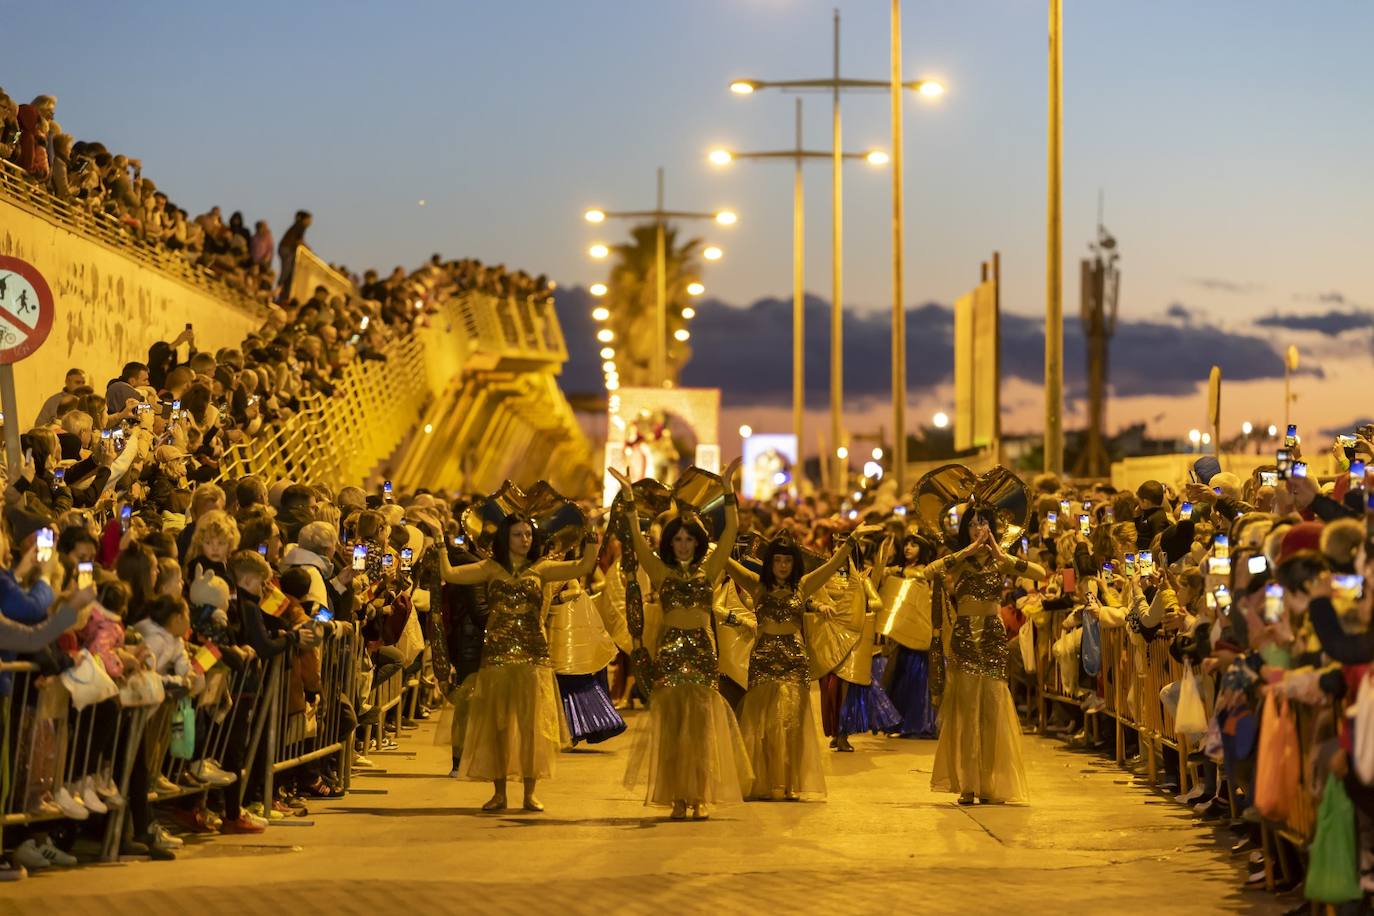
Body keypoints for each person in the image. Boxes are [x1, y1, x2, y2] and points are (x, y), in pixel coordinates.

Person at [438, 493, 599, 813]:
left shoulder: (542, 568)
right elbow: (451, 576)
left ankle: (529, 793)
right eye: (518, 534)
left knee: (531, 728)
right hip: (497, 656)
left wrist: (591, 532)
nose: (525, 539)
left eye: (528, 534)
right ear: (505, 538)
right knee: (498, 728)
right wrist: (441, 544)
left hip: (532, 656)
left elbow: (584, 565)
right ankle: (499, 793)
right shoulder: (491, 568)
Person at [611, 461, 753, 821]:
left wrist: (727, 489)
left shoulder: (710, 569)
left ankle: (699, 795)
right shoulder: (659, 570)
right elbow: (636, 541)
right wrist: (629, 500)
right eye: (678, 539)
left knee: (701, 729)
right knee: (674, 730)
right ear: (670, 543)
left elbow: (732, 530)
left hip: (703, 654)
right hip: (671, 655)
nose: (684, 544)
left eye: (690, 539)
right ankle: (677, 797)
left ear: (699, 542)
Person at [922, 499, 1047, 805]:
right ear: (965, 528)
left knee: (992, 710)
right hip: (965, 640)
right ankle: (967, 783)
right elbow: (928, 572)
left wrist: (1000, 553)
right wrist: (965, 552)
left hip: (992, 640)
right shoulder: (959, 560)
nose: (978, 528)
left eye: (984, 522)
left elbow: (1040, 573)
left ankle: (989, 782)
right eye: (973, 523)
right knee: (965, 713)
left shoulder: (1000, 560)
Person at [727, 529, 854, 800]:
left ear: (794, 563)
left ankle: (787, 783)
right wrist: (711, 541)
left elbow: (832, 565)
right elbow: (726, 562)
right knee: (764, 726)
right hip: (763, 661)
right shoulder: (757, 585)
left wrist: (851, 542)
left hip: (794, 662)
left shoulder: (803, 586)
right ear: (770, 562)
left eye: (787, 560)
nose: (783, 566)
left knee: (790, 725)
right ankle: (767, 782)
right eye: (778, 560)